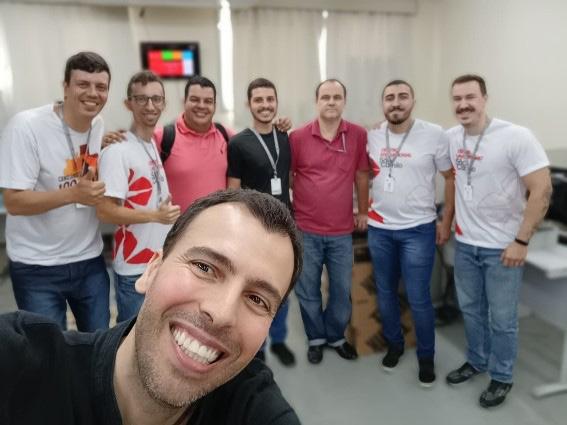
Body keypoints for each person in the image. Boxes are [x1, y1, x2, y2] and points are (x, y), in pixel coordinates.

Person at [0, 189, 303, 425]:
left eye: (257, 300)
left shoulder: (255, 409)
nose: (222, 313)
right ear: (152, 269)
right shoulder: (21, 364)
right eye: (204, 267)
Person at [445, 74, 552, 408]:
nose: (463, 104)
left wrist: (521, 240)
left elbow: (542, 189)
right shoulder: (451, 137)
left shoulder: (516, 137)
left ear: (485, 99)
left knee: (502, 320)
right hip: (465, 245)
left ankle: (502, 376)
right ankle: (477, 360)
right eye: (457, 98)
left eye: (470, 97)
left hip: (502, 249)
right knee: (471, 311)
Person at [0, 51, 111, 331]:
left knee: (98, 344)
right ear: (65, 87)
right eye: (83, 84)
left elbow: (79, 163)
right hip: (37, 266)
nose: (93, 93)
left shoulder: (97, 124)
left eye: (100, 86)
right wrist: (73, 194)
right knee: (48, 349)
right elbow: (14, 202)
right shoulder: (26, 127)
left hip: (89, 259)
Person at [367, 80, 455, 386]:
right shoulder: (372, 134)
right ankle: (394, 345)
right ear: (383, 104)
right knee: (385, 293)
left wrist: (446, 221)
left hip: (418, 229)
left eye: (402, 96)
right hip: (380, 229)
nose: (396, 102)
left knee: (419, 298)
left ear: (413, 102)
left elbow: (450, 177)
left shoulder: (434, 134)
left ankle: (426, 357)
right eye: (389, 97)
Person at [290, 78, 369, 364]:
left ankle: (336, 336)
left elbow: (362, 174)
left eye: (337, 97)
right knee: (307, 289)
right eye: (326, 97)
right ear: (317, 102)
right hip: (306, 229)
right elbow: (289, 177)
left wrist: (363, 211)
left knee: (341, 291)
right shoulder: (297, 137)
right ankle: (316, 338)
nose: (331, 102)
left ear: (344, 101)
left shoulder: (357, 134)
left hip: (341, 232)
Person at [96, 71, 181, 322]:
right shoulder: (117, 151)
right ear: (128, 103)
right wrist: (155, 216)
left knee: (154, 333)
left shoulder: (150, 143)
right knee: (132, 336)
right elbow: (105, 211)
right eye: (141, 99)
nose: (150, 105)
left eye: (156, 99)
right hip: (134, 269)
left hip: (157, 262)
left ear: (164, 103)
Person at [227, 78, 295, 366]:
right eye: (259, 100)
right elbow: (233, 190)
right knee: (255, 291)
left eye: (270, 99)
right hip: (253, 232)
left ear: (276, 102)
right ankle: (258, 346)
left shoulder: (286, 136)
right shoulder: (238, 143)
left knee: (282, 288)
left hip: (285, 229)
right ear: (249, 104)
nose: (265, 105)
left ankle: (279, 340)